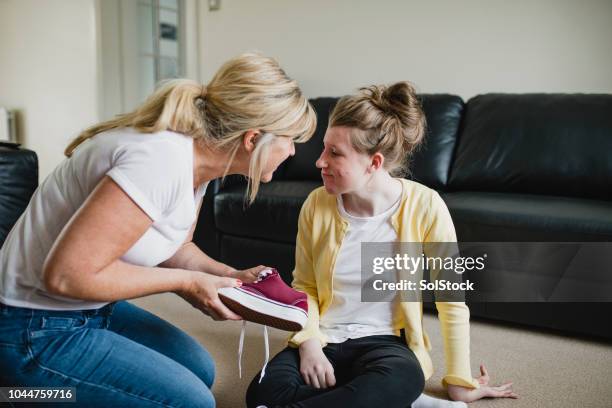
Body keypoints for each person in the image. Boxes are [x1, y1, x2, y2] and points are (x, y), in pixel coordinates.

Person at [0, 53, 316, 407]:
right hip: (29, 326)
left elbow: (174, 248)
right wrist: (186, 283)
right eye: (291, 139)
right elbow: (67, 276)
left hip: (88, 309)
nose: (292, 152)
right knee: (191, 402)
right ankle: (22, 395)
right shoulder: (158, 161)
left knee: (200, 370)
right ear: (252, 139)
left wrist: (229, 275)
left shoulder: (198, 164)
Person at [246, 82, 518, 407]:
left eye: (335, 153)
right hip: (325, 337)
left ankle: (387, 395)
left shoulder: (426, 206)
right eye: (323, 148)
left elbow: (451, 300)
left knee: (402, 377)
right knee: (262, 391)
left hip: (386, 344)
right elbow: (305, 287)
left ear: (374, 163)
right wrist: (309, 344)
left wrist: (459, 381)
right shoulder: (316, 205)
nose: (319, 162)